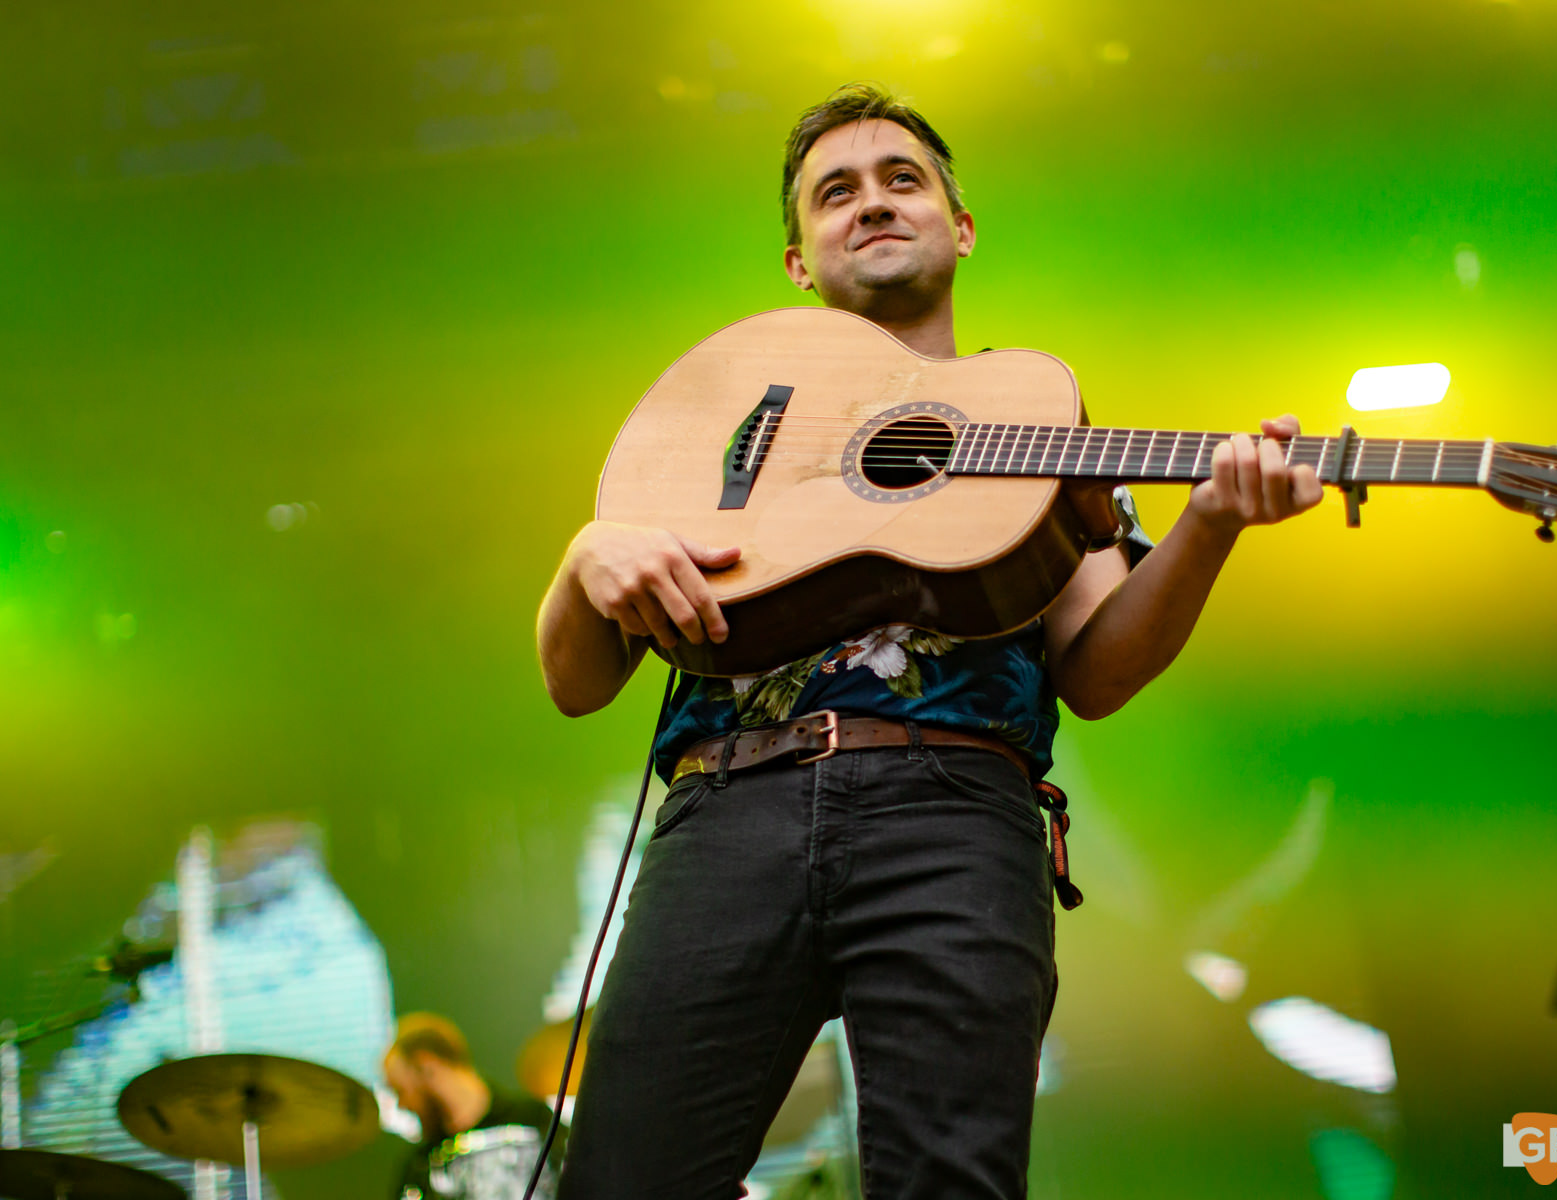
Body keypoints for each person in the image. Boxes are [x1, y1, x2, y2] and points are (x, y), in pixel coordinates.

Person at [537, 83, 1323, 1199]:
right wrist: (584, 562)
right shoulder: (718, 415)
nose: (872, 203)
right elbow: (575, 682)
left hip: (952, 816)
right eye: (835, 193)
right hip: (725, 817)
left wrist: (1210, 522)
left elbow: (1098, 669)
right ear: (799, 262)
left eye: (903, 179)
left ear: (958, 227)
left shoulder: (1046, 416)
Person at [384, 1012, 562, 1200]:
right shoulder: (421, 1165)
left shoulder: (536, 1120)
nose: (401, 1105)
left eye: (400, 1091)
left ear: (426, 1064)